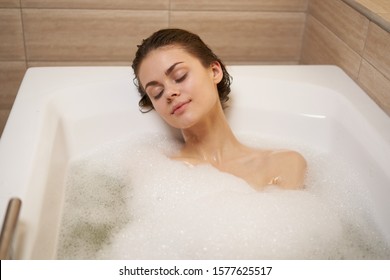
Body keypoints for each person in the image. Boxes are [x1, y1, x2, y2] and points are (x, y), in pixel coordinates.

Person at [132, 28, 306, 189]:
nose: (169, 93)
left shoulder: (283, 163)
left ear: (214, 71)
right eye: (157, 92)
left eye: (180, 76)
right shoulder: (157, 175)